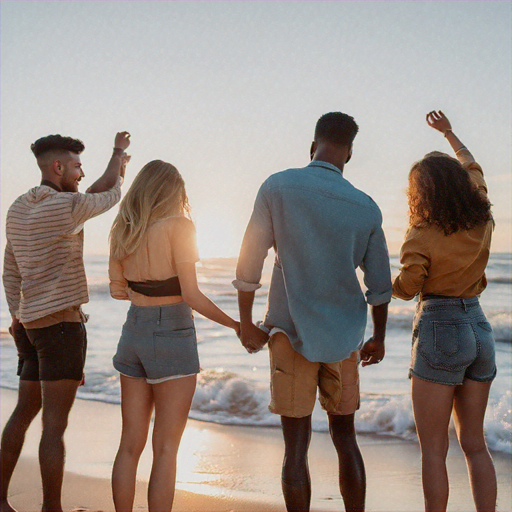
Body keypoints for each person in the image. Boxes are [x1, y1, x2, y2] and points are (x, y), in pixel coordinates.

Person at [233, 112, 392, 512]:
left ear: (312, 145)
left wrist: (246, 324)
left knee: (296, 446)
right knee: (346, 438)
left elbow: (249, 262)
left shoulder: (278, 186)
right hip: (344, 339)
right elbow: (380, 286)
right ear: (350, 153)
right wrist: (380, 337)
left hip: (289, 333)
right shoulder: (366, 207)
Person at [1, 132, 131, 512]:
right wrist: (120, 158)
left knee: (23, 413)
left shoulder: (19, 208)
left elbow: (10, 270)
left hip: (31, 326)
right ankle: (51, 509)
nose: (81, 172)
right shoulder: (66, 208)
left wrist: (16, 317)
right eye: (75, 166)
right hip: (61, 328)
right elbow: (108, 195)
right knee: (54, 427)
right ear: (58, 167)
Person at [108, 160, 240, 512]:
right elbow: (192, 295)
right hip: (172, 332)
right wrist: (238, 326)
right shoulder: (180, 227)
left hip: (133, 332)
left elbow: (118, 291)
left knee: (129, 445)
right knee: (165, 448)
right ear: (172, 193)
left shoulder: (123, 228)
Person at [393, 111, 496, 512]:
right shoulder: (483, 211)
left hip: (440, 328)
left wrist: (375, 286)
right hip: (479, 326)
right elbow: (473, 165)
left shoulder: (421, 233)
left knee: (433, 451)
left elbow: (407, 288)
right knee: (474, 444)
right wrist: (449, 133)